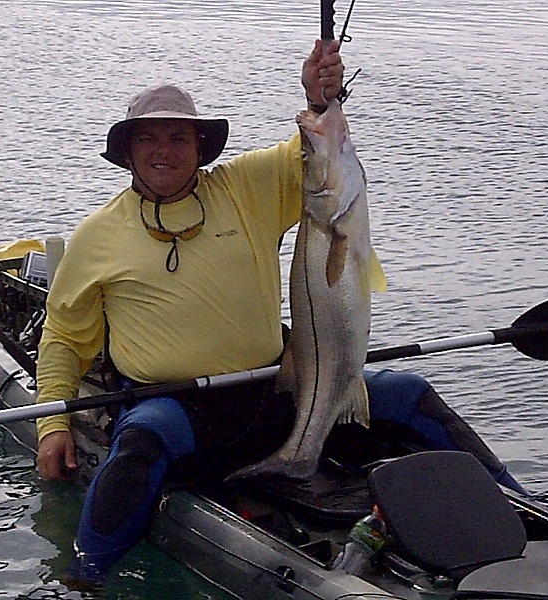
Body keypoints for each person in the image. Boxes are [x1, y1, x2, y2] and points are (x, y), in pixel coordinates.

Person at [35, 40, 522, 587]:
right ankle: (85, 574)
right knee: (142, 441)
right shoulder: (96, 236)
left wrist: (321, 97)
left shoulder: (246, 187)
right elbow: (63, 340)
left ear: (201, 146)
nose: (163, 150)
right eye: (147, 138)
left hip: (279, 388)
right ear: (127, 151)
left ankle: (523, 504)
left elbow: (315, 155)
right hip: (178, 408)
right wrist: (54, 424)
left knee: (405, 391)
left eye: (178, 136)